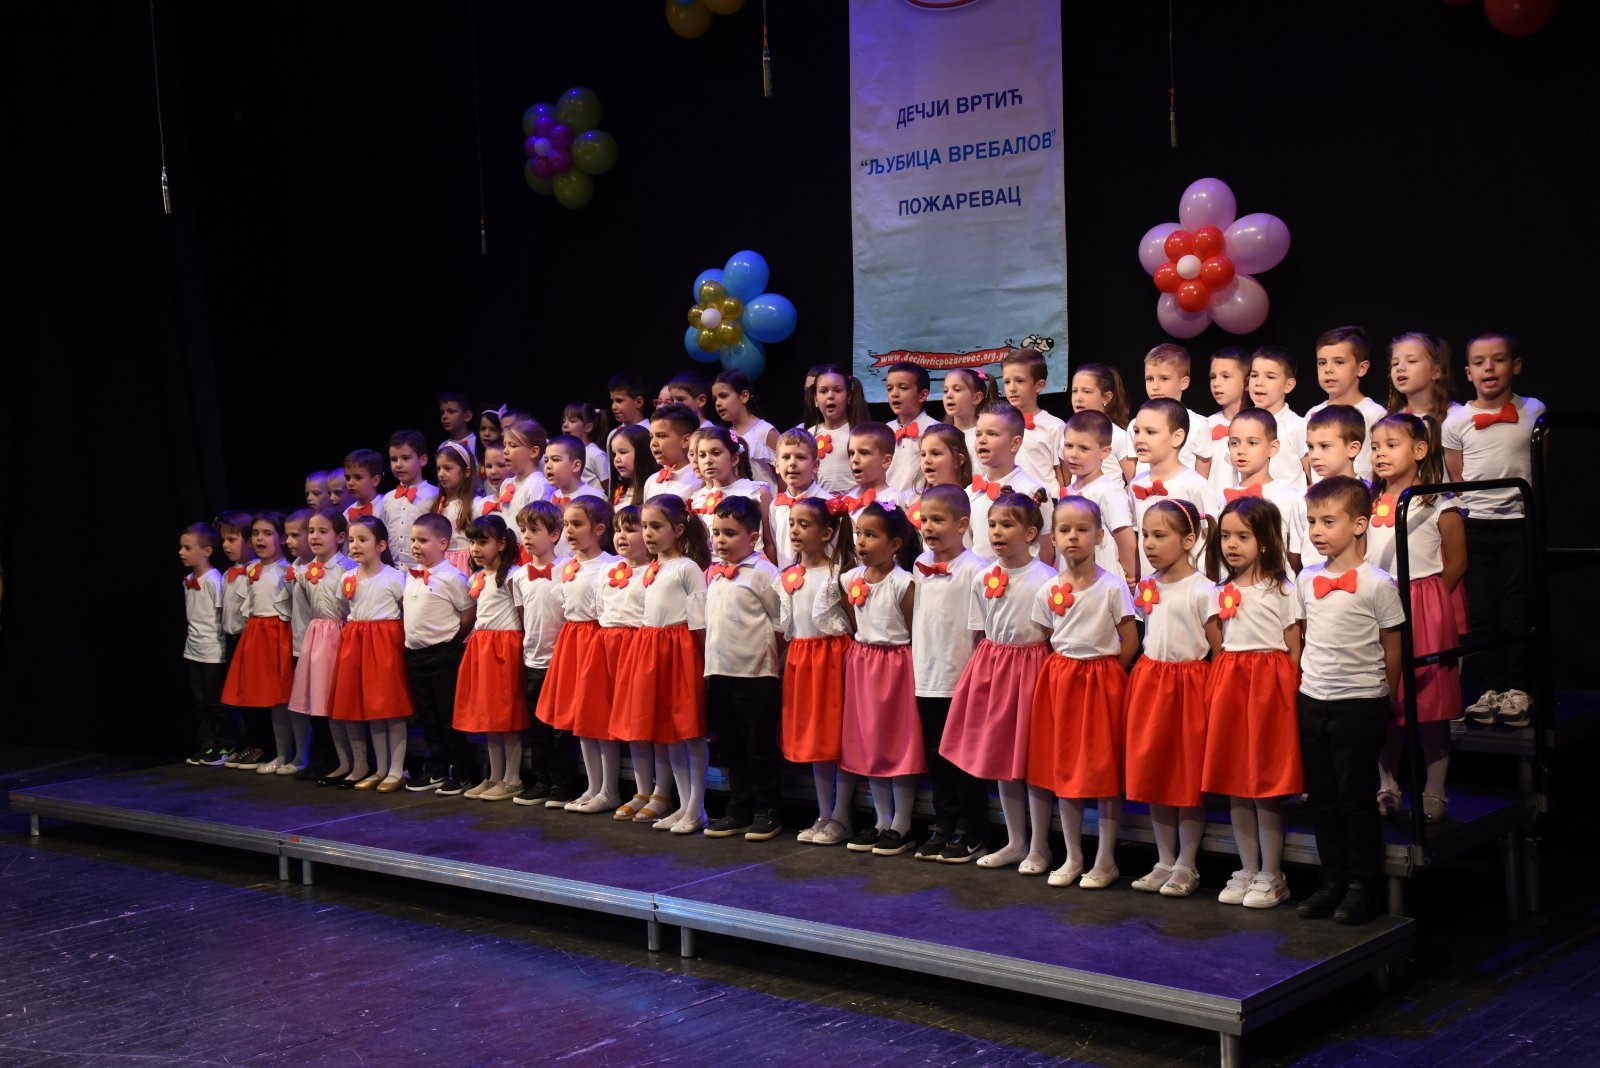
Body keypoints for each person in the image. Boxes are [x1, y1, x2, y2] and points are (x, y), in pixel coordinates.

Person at [1296, 476, 1406, 925]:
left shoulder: (1377, 583)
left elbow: (1393, 646)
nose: (1317, 531)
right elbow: (1307, 636)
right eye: (1311, 522)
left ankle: (1364, 885)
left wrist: (1385, 698)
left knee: (1355, 797)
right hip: (1314, 698)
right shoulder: (1307, 578)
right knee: (1322, 796)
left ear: (1359, 524)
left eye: (1328, 521)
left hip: (1360, 701)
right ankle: (1332, 880)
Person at [1027, 497, 1138, 889]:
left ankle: (1105, 859)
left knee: (1103, 771)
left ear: (1099, 535)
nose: (1073, 537)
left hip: (1101, 681)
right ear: (1054, 537)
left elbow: (1129, 638)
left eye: (1082, 529)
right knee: (1064, 769)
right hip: (1062, 682)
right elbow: (1046, 635)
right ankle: (1073, 856)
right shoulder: (1048, 589)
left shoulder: (1112, 586)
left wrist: (1106, 673)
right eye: (1064, 530)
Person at [943, 492, 1056, 874]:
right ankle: (1015, 841)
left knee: (1031, 761)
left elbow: (1053, 632)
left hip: (1032, 669)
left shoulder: (1046, 578)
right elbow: (980, 631)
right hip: (994, 667)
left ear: (1031, 533)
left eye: (1007, 525)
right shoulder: (983, 577)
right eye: (992, 524)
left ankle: (1039, 847)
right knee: (1003, 760)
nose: (997, 532)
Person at [1202, 497, 1304, 909]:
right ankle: (1247, 868)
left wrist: (1285, 692)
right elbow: (1218, 644)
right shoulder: (1219, 591)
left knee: (1263, 783)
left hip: (1268, 688)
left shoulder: (1282, 588)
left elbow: (1294, 647)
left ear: (1264, 541)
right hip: (1231, 684)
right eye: (1226, 536)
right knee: (1236, 784)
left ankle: (1272, 873)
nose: (1232, 544)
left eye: (1243, 536)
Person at [1442, 332, 1545, 727]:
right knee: (1482, 610)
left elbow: (1540, 468)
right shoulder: (1456, 420)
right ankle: (1492, 687)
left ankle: (1519, 687)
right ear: (1468, 373)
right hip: (1477, 526)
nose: (1489, 367)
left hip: (1520, 523)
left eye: (1498, 360)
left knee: (1517, 608)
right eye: (1479, 362)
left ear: (1515, 366)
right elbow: (1458, 478)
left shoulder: (1534, 410)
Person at [1368, 414, 1466, 822]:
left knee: (1430, 701)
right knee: (1386, 696)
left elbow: (1456, 562)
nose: (1381, 453)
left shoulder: (1439, 502)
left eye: (1391, 445)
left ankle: (1435, 790)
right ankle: (1387, 783)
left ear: (1420, 450)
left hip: (1423, 605)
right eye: (1376, 446)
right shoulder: (1367, 502)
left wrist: (1430, 601)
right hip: (1379, 604)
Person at [1125, 499, 1220, 899]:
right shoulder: (1146, 587)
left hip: (1189, 686)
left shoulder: (1203, 590)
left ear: (1188, 539)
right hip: (1151, 682)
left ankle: (1186, 862)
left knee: (1185, 777)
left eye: (1160, 535)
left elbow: (1218, 648)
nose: (1148, 544)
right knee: (1155, 772)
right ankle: (1164, 859)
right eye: (1146, 535)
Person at [611, 495, 712, 834]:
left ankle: (696, 807)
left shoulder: (687, 567)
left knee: (689, 733)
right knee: (668, 735)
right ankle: (682, 805)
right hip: (653, 648)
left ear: (678, 530)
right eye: (645, 526)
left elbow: (699, 621)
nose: (648, 533)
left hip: (680, 651)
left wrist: (704, 664)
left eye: (656, 526)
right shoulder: (655, 567)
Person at [906, 485, 988, 861]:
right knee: (936, 758)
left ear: (962, 524)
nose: (929, 527)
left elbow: (981, 631)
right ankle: (944, 822)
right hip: (927, 676)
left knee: (963, 760)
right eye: (924, 519)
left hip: (960, 679)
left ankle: (972, 830)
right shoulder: (919, 565)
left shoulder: (976, 570)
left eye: (938, 519)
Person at [837, 501, 924, 855]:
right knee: (870, 742)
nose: (861, 541)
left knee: (897, 744)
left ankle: (902, 823)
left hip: (896, 666)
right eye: (859, 533)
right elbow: (855, 621)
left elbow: (912, 630)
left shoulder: (903, 583)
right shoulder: (850, 580)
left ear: (895, 544)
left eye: (871, 535)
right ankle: (881, 819)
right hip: (863, 664)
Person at [702, 497, 786, 841]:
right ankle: (738, 808)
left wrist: (768, 660)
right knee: (731, 747)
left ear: (753, 537)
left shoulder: (764, 573)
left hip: (755, 676)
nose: (720, 540)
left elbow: (780, 622)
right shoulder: (714, 574)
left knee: (759, 747)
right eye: (716, 533)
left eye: (730, 533)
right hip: (720, 673)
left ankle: (768, 810)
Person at [776, 497, 857, 845]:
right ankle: (824, 813)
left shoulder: (840, 575)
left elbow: (854, 624)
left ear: (826, 533)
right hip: (802, 660)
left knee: (838, 740)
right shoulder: (788, 576)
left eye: (804, 524)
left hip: (833, 660)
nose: (795, 530)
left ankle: (842, 815)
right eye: (792, 523)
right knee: (815, 742)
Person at [541, 498, 623, 813]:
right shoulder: (564, 567)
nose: (570, 531)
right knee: (580, 720)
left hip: (597, 641)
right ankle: (592, 786)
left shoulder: (610, 566)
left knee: (598, 718)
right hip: (572, 641)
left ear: (599, 529)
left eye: (578, 524)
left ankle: (610, 789)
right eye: (567, 525)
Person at [328, 516, 412, 789]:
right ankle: (381, 769)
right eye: (352, 540)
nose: (355, 545)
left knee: (391, 707)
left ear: (381, 545)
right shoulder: (348, 577)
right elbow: (345, 609)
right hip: (358, 642)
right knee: (373, 708)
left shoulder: (394, 577)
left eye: (363, 539)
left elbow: (407, 610)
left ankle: (397, 770)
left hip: (385, 643)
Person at [509, 501, 582, 808]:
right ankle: (542, 781)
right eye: (523, 530)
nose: (526, 536)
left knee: (561, 729)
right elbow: (524, 616)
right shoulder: (519, 576)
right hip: (533, 660)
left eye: (534, 530)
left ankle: (563, 784)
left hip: (561, 662)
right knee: (538, 727)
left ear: (554, 534)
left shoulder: (567, 569)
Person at [454, 515, 530, 802]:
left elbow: (523, 616)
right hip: (483, 646)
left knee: (506, 716)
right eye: (472, 542)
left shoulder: (512, 576)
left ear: (501, 544)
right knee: (489, 717)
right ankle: (495, 775)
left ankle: (513, 778)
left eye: (483, 542)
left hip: (505, 647)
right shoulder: (477, 577)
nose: (475, 548)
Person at [220, 512, 301, 774]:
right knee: (268, 699)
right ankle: (277, 752)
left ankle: (296, 754)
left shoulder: (289, 570)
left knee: (284, 698)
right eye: (255, 534)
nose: (259, 539)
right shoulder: (252, 569)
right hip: (257, 633)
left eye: (267, 533)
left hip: (279, 634)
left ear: (281, 538)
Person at [401, 513, 476, 794]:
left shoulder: (452, 577)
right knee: (428, 717)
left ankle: (461, 771)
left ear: (443, 543)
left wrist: (452, 641)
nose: (415, 545)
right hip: (416, 655)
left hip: (444, 655)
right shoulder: (411, 576)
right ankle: (437, 768)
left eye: (423, 540)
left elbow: (469, 611)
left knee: (448, 717)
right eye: (413, 540)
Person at [600, 506, 667, 822]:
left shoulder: (655, 572)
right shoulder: (607, 571)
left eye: (630, 529)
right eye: (618, 530)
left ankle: (662, 791)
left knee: (651, 723)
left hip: (643, 648)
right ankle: (642, 790)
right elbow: (601, 609)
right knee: (632, 726)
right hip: (613, 649)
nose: (622, 536)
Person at [286, 509, 356, 780]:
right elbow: (306, 609)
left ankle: (349, 761)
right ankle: (325, 759)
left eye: (322, 531)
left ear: (340, 537)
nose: (314, 536)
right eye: (311, 531)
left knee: (339, 698)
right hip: (317, 637)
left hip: (341, 634)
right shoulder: (303, 572)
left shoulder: (347, 569)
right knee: (317, 699)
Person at [1128, 399, 1222, 572]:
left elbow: (1212, 537)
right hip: (1150, 581)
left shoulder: (1195, 485)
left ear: (1177, 437)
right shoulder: (1137, 483)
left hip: (1189, 580)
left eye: (1150, 432)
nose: (1140, 439)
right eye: (1136, 431)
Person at [1221, 409, 1312, 572]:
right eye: (1234, 443)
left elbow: (1295, 556)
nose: (1241, 450)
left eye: (1252, 443)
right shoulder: (1223, 498)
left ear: (1273, 448)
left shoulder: (1291, 498)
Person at [967, 403, 1052, 563]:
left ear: (1014, 444)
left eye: (992, 434)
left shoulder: (1033, 491)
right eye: (978, 434)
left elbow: (1045, 550)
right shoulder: (970, 492)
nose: (982, 440)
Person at [1061, 411, 1138, 586]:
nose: (1073, 454)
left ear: (1105, 452)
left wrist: (1130, 577)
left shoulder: (1109, 492)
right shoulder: (1069, 491)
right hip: (1071, 582)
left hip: (1103, 584)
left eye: (1084, 448)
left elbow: (1126, 541)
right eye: (1069, 446)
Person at [1306, 326, 1387, 482]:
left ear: (1361, 368)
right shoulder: (1313, 413)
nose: (1328, 369)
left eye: (1339, 362)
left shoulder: (1375, 415)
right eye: (1322, 363)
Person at [179, 522, 229, 766]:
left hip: (212, 651)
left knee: (216, 702)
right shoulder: (188, 580)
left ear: (207, 551)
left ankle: (223, 746)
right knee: (200, 702)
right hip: (193, 649)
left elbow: (221, 615)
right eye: (181, 547)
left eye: (187, 548)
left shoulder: (214, 579)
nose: (181, 552)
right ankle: (207, 744)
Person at [688, 426, 773, 557]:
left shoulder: (757, 491)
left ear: (734, 459)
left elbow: (769, 542)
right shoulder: (696, 500)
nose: (708, 461)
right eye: (702, 455)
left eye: (716, 453)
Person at [1002, 347, 1067, 497]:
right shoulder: (999, 424)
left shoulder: (1055, 426)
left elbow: (1062, 473)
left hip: (1044, 502)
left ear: (1039, 385)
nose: (1012, 388)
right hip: (1009, 502)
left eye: (1020, 381)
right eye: (1007, 382)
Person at [1142, 343, 1213, 479]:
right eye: (1149, 379)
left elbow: (1201, 480)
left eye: (1164, 379)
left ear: (1183, 383)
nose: (1155, 386)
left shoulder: (1198, 424)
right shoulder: (1136, 424)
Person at [805, 365, 871, 495]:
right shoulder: (810, 435)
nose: (830, 396)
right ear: (816, 399)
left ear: (849, 397)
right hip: (821, 504)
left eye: (837, 390)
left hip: (856, 503)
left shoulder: (860, 433)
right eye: (823, 391)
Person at [767, 429, 828, 569]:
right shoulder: (775, 505)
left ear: (815, 466)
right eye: (786, 457)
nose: (792, 463)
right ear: (777, 466)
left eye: (800, 457)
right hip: (786, 577)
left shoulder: (826, 504)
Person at [1247, 347, 1308, 485]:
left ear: (1288, 385)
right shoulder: (1242, 423)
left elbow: (1314, 476)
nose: (1259, 382)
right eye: (1254, 375)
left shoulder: (1297, 425)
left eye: (1270, 377)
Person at [712, 369, 781, 489]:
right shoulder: (726, 436)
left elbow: (784, 474)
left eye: (723, 396)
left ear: (744, 396)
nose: (718, 403)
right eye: (715, 399)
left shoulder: (765, 432)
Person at [382, 430, 439, 570]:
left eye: (405, 458)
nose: (398, 464)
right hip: (393, 571)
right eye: (394, 459)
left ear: (422, 460)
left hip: (426, 570)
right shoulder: (388, 499)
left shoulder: (434, 495)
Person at [1070, 364, 1135, 484]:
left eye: (1086, 391)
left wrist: (1116, 492)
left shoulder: (1117, 435)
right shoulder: (1069, 433)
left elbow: (1134, 482)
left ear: (1106, 398)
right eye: (1074, 391)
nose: (1078, 398)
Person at [883, 362, 940, 494]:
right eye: (889, 388)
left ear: (922, 395)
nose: (894, 394)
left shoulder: (936, 430)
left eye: (903, 388)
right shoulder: (885, 431)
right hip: (887, 502)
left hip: (921, 501)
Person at [432, 440, 486, 573]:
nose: (441, 474)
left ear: (466, 472)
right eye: (439, 468)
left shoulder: (476, 504)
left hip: (466, 565)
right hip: (442, 565)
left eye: (447, 468)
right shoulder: (439, 505)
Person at [1204, 347, 1253, 495]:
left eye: (1225, 376)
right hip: (1215, 503)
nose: (1216, 383)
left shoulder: (1261, 422)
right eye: (1213, 377)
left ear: (1246, 383)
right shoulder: (1206, 425)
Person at [644, 403, 705, 502]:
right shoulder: (651, 481)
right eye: (651, 437)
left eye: (661, 436)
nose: (653, 443)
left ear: (686, 441)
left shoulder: (699, 480)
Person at [839, 423, 901, 516]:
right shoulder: (847, 500)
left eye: (864, 453)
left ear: (886, 461)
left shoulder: (892, 499)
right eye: (852, 453)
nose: (854, 459)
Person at [940, 367, 995, 460]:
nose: (948, 395)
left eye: (957, 389)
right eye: (945, 391)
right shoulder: (939, 435)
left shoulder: (988, 436)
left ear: (976, 398)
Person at [1304, 405, 1366, 486]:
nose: (1314, 456)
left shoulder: (1370, 492)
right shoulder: (1309, 493)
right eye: (1310, 447)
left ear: (1353, 448)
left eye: (1324, 446)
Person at [561, 401, 612, 493]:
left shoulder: (595, 454)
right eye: (564, 420)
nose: (565, 425)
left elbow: (609, 488)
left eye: (572, 421)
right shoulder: (568, 453)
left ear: (588, 427)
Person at [609, 423, 659, 509]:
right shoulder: (620, 491)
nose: (616, 459)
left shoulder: (654, 490)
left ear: (642, 452)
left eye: (623, 452)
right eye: (614, 454)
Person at [341, 449, 384, 525]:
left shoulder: (386, 506)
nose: (350, 483)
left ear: (375, 481)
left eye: (358, 478)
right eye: (348, 478)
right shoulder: (347, 514)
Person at [438, 390, 477, 457]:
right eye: (442, 413)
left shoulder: (477, 443)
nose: (444, 416)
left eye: (451, 412)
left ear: (467, 416)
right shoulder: (442, 447)